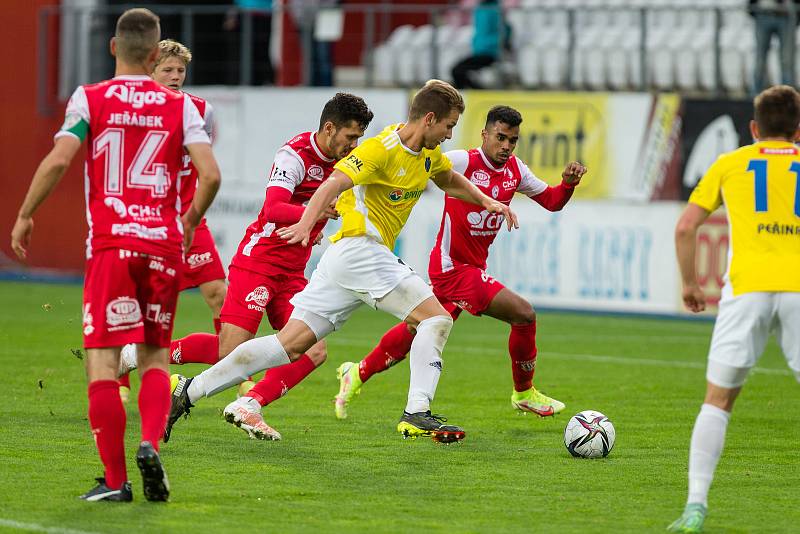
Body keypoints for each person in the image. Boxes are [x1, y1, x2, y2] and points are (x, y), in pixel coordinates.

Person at [166, 80, 517, 444]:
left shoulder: (428, 155)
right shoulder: (381, 148)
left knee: (291, 345)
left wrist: (486, 201)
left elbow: (449, 179)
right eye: (448, 126)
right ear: (430, 119)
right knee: (437, 318)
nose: (449, 135)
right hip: (361, 249)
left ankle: (189, 391)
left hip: (342, 261)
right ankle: (417, 412)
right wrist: (305, 221)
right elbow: (333, 182)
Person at [10, 8, 221, 502]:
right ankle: (150, 444)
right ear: (154, 55)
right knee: (151, 358)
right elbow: (210, 177)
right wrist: (187, 224)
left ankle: (115, 480)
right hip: (162, 244)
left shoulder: (91, 98)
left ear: (113, 48)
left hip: (111, 244)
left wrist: (24, 214)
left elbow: (61, 158)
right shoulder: (183, 107)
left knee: (103, 364)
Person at [122, 93, 372, 441]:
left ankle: (250, 405)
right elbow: (273, 209)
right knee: (229, 350)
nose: (353, 145)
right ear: (329, 129)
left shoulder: (346, 163)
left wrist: (316, 228)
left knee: (313, 351)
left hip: (293, 272)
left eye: (358, 138)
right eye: (350, 137)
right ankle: (138, 352)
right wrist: (313, 214)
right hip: (260, 262)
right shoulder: (295, 154)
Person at [334, 106, 586, 420]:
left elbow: (551, 201)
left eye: (512, 140)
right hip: (451, 267)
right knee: (523, 314)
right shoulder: (463, 161)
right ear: (485, 134)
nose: (506, 146)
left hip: (472, 269)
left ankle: (356, 373)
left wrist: (567, 184)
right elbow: (418, 162)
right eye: (500, 138)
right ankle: (523, 392)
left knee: (416, 330)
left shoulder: (516, 171)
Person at [667, 85, 800, 533]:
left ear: (754, 128)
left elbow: (686, 228)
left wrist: (689, 283)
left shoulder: (730, 163)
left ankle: (695, 507)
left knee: (718, 401)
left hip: (747, 290)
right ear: (798, 130)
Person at [117, 38, 227, 404]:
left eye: (180, 70)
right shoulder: (135, 111)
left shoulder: (201, 110)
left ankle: (229, 371)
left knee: (219, 295)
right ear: (150, 70)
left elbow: (203, 162)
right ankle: (121, 372)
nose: (176, 76)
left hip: (190, 221)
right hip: (149, 221)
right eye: (167, 69)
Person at [451, 0, 509, 89]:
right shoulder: (481, 8)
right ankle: (476, 92)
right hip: (480, 50)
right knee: (458, 71)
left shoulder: (495, 9)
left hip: (490, 52)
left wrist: (498, 46)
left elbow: (504, 30)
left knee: (457, 71)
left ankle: (475, 93)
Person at [748, 0, 799, 94]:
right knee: (760, 59)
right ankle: (755, 97)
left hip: (786, 14)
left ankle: (787, 96)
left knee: (787, 60)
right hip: (763, 12)